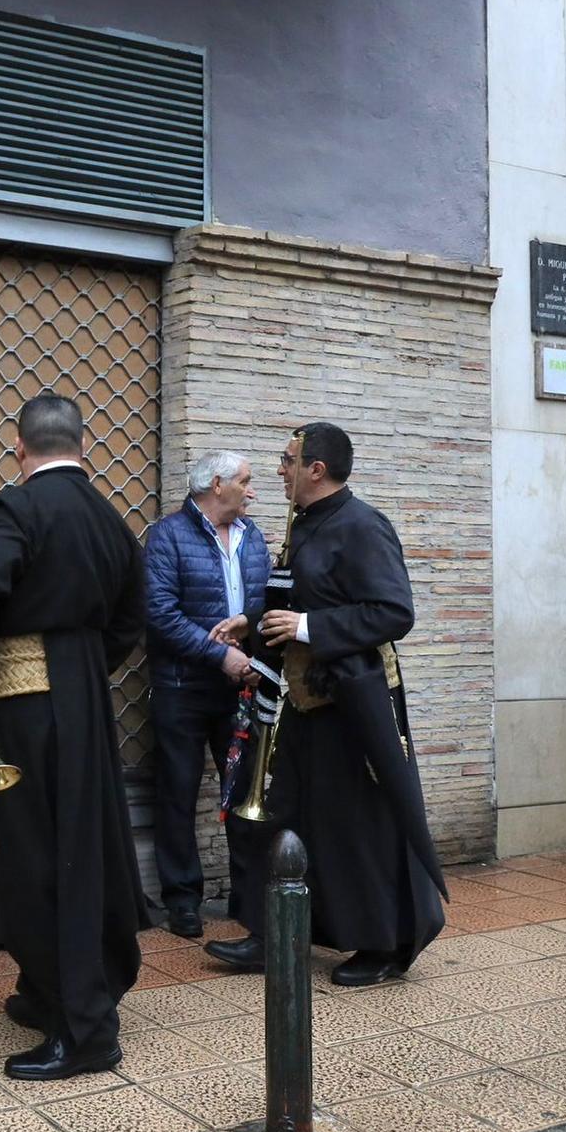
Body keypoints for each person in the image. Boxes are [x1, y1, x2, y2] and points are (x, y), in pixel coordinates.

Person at [0, 393, 147, 1082]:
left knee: (36, 862)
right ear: (82, 443)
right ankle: (53, 995)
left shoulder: (18, 507)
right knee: (78, 854)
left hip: (23, 709)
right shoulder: (111, 520)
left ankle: (86, 1031)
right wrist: (79, 667)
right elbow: (130, 620)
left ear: (21, 449)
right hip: (84, 704)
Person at [205, 422, 448, 986]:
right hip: (304, 703)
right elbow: (299, 595)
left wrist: (309, 625)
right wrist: (255, 621)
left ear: (317, 469)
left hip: (352, 704)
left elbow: (393, 612)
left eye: (289, 460)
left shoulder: (363, 526)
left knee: (356, 826)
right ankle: (275, 936)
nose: (280, 469)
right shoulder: (305, 524)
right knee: (286, 818)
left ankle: (383, 945)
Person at [143, 451, 270, 938]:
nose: (252, 491)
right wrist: (219, 655)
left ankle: (247, 898)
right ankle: (183, 902)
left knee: (244, 793)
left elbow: (267, 599)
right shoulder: (169, 535)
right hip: (183, 687)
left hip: (241, 685)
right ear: (216, 485)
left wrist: (248, 629)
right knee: (177, 791)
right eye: (244, 481)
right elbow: (159, 613)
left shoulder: (253, 535)